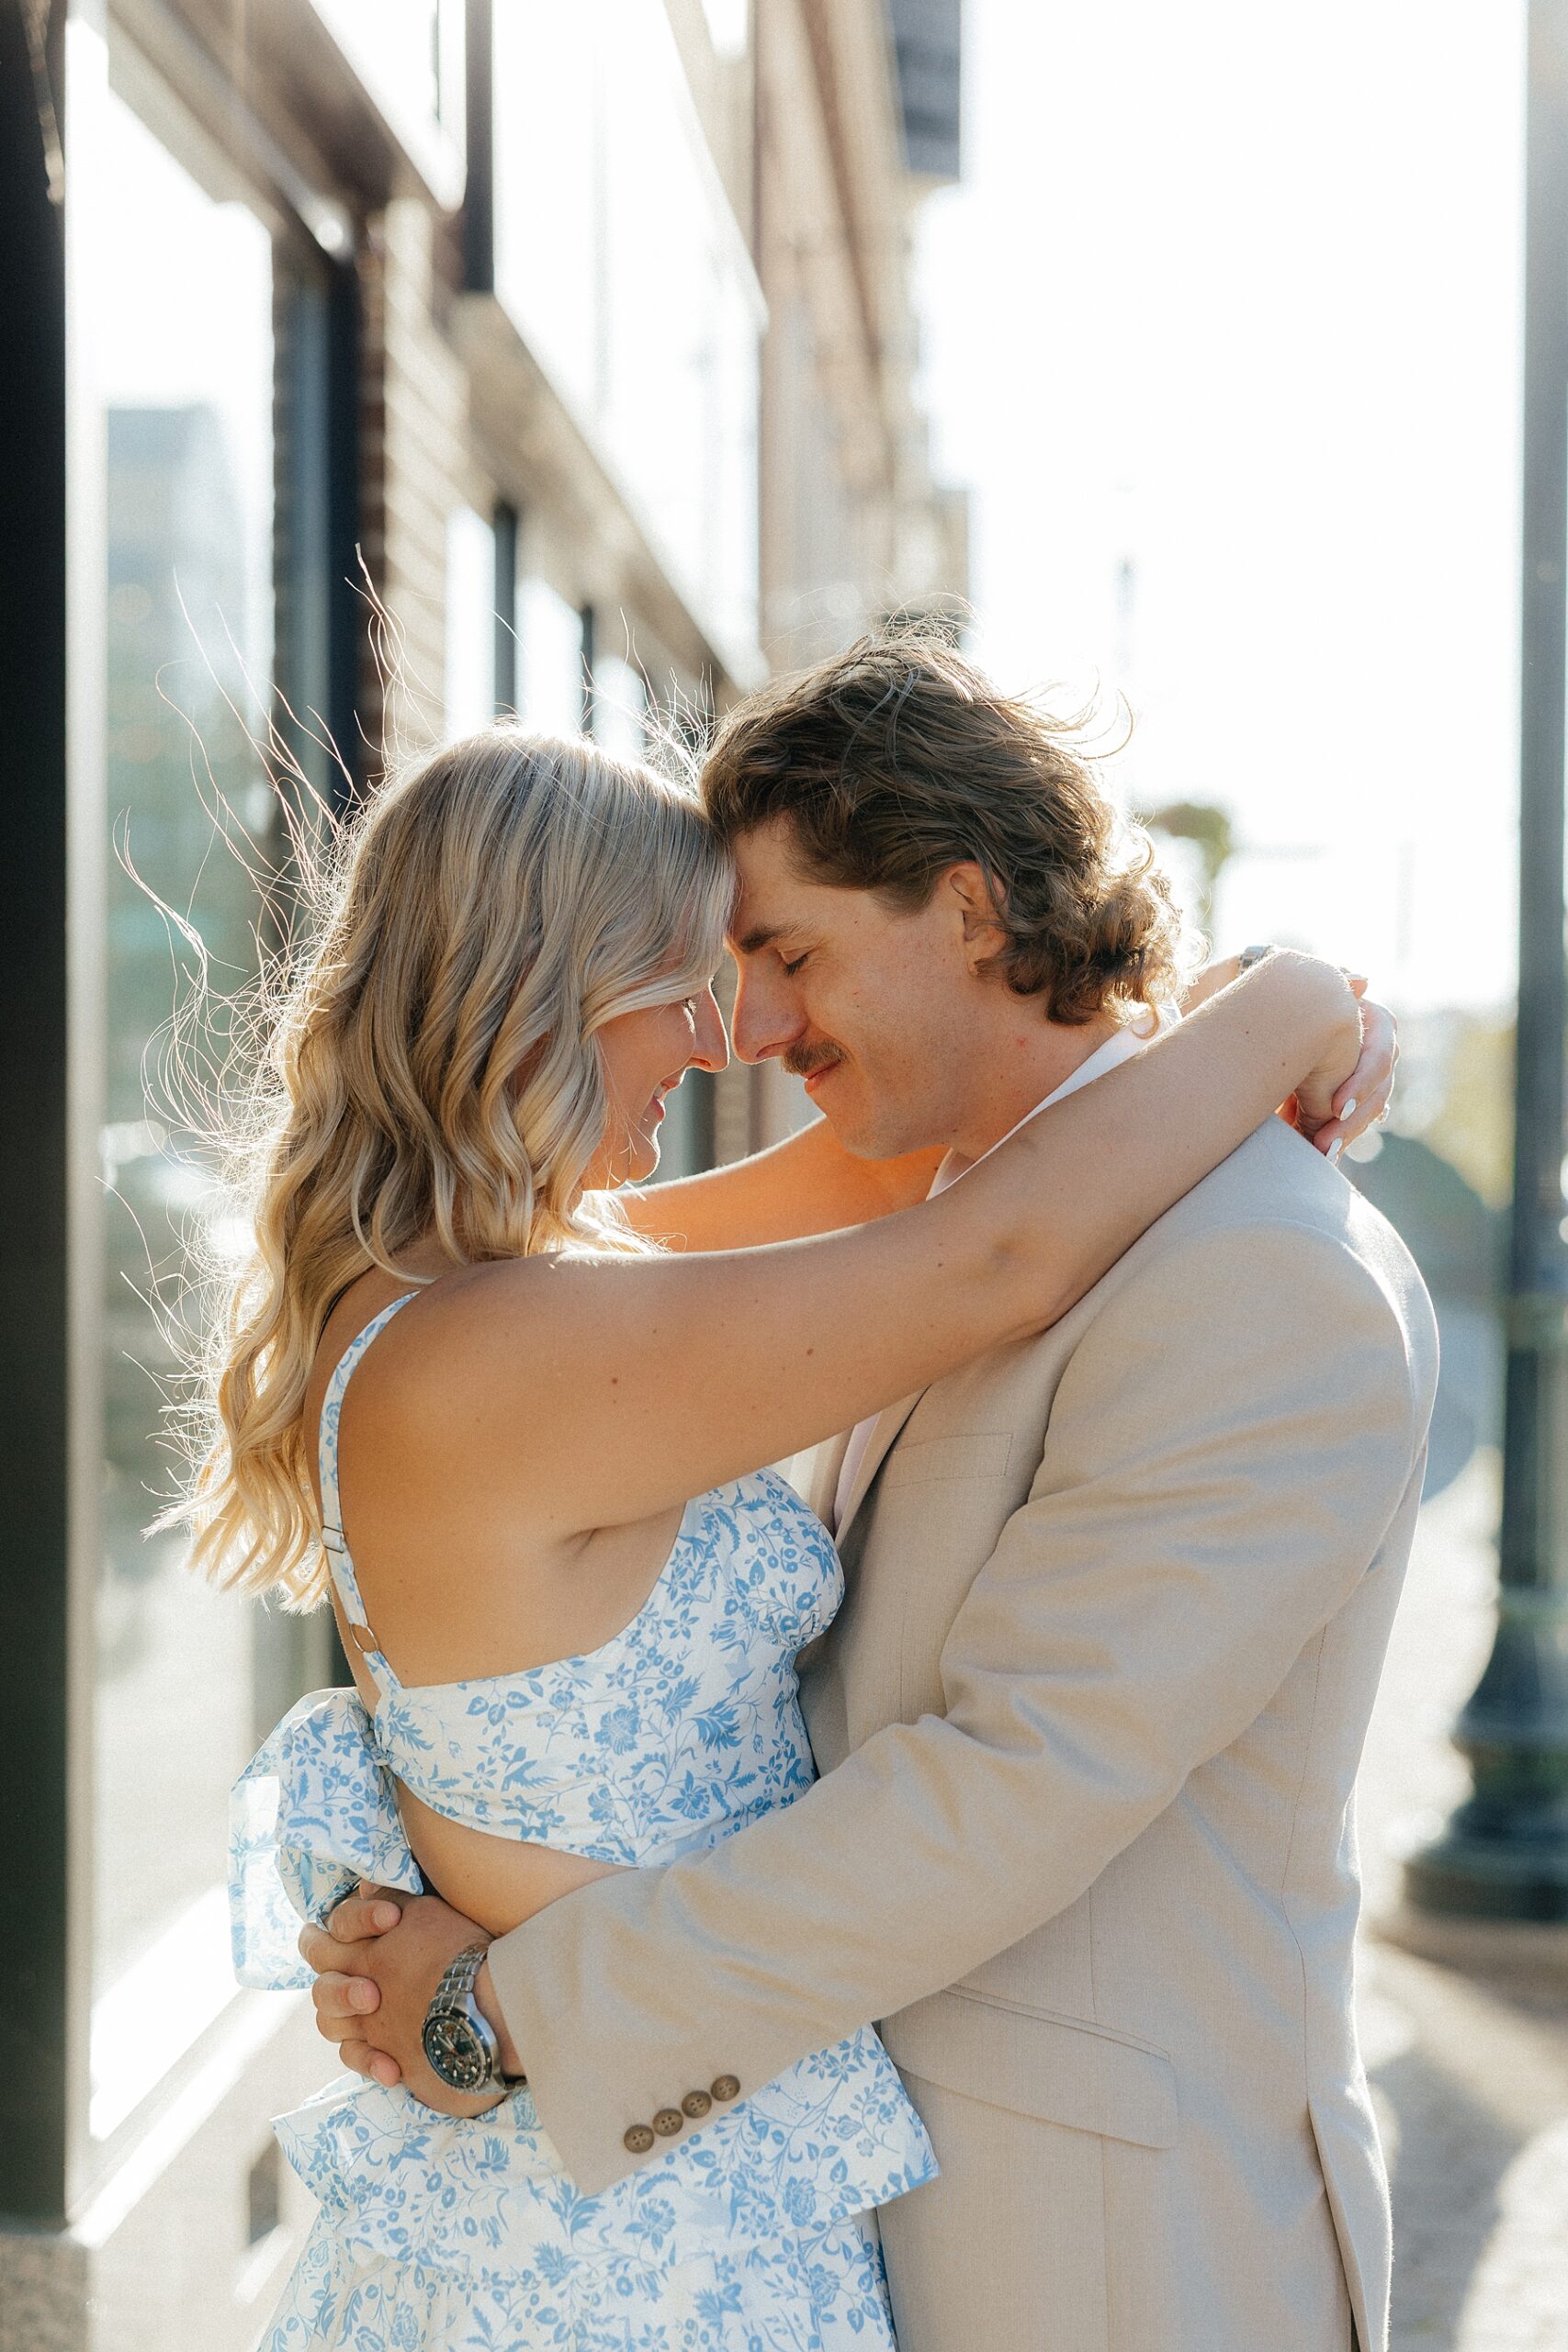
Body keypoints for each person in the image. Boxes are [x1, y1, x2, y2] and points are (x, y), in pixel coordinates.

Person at [299, 637, 1434, 2352]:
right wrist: (1287, 997)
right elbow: (991, 1243)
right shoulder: (826, 1260)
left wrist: (506, 2004)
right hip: (742, 2205)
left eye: (782, 952)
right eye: (703, 971)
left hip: (1097, 2260)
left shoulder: (1257, 1275)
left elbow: (1010, 1787)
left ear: (970, 909)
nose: (741, 1026)